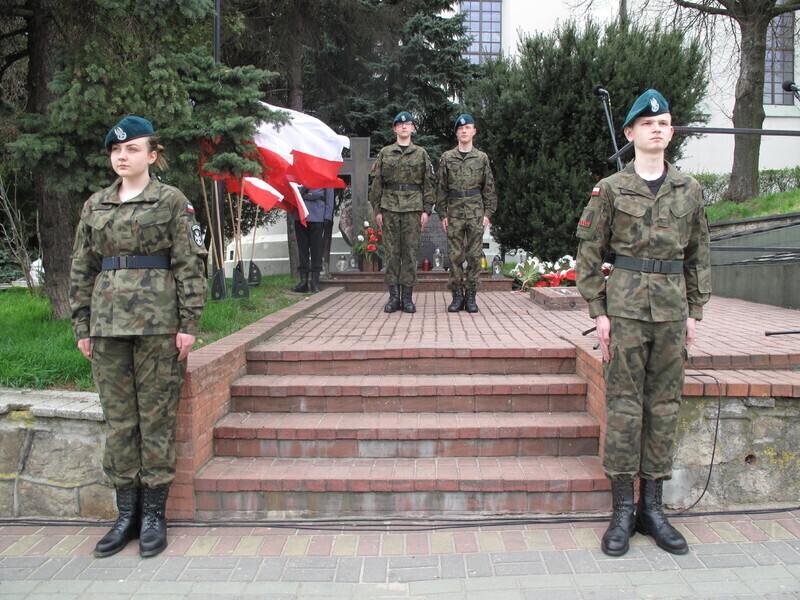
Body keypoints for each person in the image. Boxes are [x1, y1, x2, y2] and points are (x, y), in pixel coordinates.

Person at [575, 90, 711, 557]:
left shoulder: (689, 190)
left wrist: (695, 310)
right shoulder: (611, 189)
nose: (658, 128)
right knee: (626, 406)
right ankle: (621, 511)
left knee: (665, 406)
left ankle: (653, 509)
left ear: (671, 133)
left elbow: (698, 254)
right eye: (648, 123)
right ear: (631, 133)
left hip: (672, 312)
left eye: (666, 123)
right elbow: (589, 254)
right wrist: (599, 312)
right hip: (627, 311)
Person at [69, 116, 208, 558]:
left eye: (131, 150)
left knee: (155, 418)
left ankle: (153, 515)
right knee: (119, 421)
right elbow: (81, 268)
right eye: (116, 151)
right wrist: (82, 326)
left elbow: (189, 264)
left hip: (157, 326)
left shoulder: (170, 201)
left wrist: (188, 324)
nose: (122, 157)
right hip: (107, 327)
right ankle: (125, 514)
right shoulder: (95, 206)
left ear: (151, 155)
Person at [368, 111, 436, 313]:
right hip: (389, 208)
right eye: (400, 124)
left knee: (410, 253)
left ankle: (407, 298)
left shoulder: (421, 154)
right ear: (395, 129)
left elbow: (428, 185)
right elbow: (377, 184)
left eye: (408, 124)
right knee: (391, 253)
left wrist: (426, 210)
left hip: (413, 209)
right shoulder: (385, 153)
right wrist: (377, 210)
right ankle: (393, 298)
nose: (404, 127)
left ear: (413, 128)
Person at [436, 114, 497, 313]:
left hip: (475, 212)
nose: (464, 131)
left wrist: (487, 213)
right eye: (460, 128)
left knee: (473, 255)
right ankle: (456, 296)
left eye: (468, 128)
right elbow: (441, 189)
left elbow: (488, 188)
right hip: (453, 212)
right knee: (454, 256)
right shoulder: (447, 157)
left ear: (473, 131)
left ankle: (471, 296)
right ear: (456, 132)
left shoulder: (481, 158)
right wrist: (443, 214)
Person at [290, 187, 334, 293]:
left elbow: (330, 196)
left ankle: (315, 281)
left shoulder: (324, 174)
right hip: (301, 213)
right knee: (302, 249)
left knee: (316, 250)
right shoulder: (299, 172)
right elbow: (293, 191)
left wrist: (328, 215)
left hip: (318, 213)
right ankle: (303, 281)